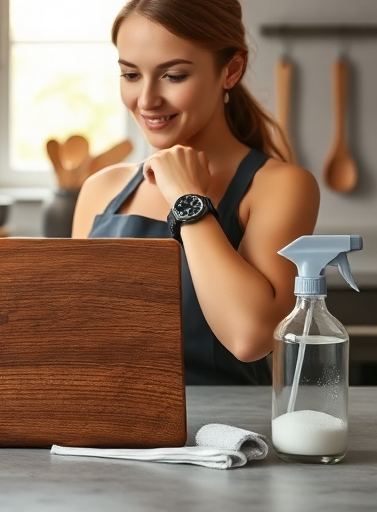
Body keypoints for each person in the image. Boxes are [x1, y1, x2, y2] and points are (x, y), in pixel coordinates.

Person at [72, 0, 319, 385]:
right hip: (108, 432)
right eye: (131, 74)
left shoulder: (281, 186)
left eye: (173, 76)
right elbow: (77, 339)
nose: (146, 100)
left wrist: (187, 199)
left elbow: (249, 337)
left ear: (231, 70)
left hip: (224, 434)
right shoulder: (100, 188)